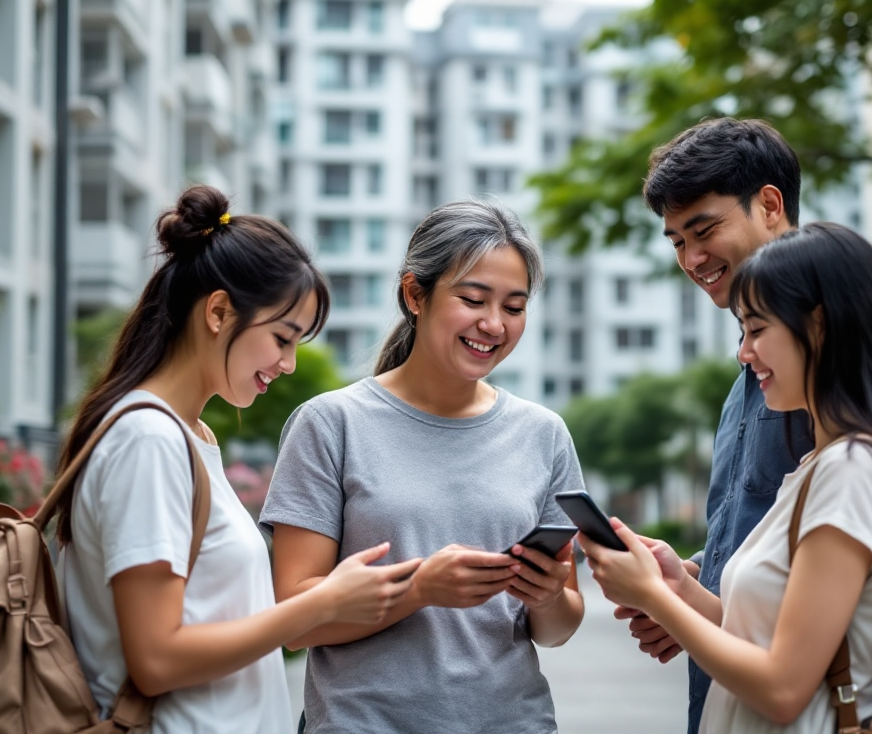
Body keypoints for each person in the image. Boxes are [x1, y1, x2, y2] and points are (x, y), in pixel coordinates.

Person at [622, 118, 872, 734]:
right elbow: (789, 553)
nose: (691, 259)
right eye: (675, 241)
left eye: (704, 230)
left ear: (770, 205)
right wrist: (691, 585)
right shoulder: (752, 383)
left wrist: (660, 599)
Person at [55, 185, 422, 734]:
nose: (290, 364)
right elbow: (156, 660)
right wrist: (319, 605)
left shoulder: (186, 434)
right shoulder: (149, 441)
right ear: (220, 311)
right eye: (282, 337)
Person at [259, 200, 586, 734]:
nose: (493, 324)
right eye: (473, 299)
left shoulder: (543, 434)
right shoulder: (330, 424)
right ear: (415, 294)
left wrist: (548, 595)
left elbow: (555, 629)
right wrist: (420, 591)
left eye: (514, 306)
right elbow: (295, 622)